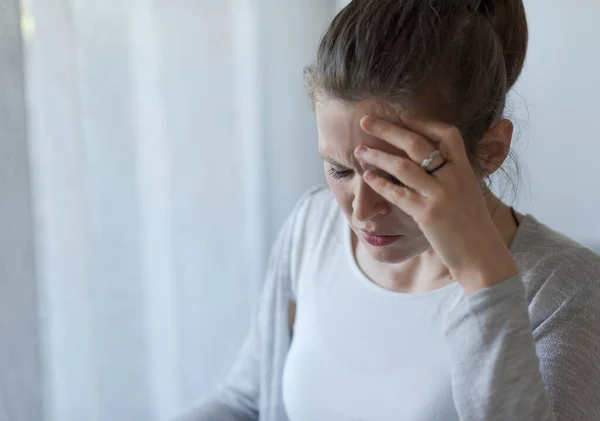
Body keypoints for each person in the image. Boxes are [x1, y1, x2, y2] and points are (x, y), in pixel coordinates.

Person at [175, 0, 600, 420]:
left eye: (395, 177)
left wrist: (481, 275)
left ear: (489, 152)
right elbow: (245, 402)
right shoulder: (312, 227)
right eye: (340, 170)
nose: (363, 211)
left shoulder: (567, 291)